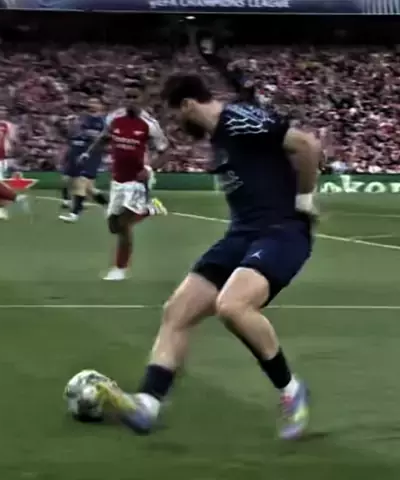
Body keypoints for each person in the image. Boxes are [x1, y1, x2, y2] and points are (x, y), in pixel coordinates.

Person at [95, 73, 322, 440]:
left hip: (281, 231)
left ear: (188, 105)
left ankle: (292, 390)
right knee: (177, 311)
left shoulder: (240, 120)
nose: (176, 125)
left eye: (175, 115)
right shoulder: (218, 138)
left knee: (232, 306)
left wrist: (304, 202)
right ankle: (148, 403)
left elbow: (306, 145)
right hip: (241, 235)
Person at [85, 78, 168, 281]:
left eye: (135, 97)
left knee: (123, 225)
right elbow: (104, 137)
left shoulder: (149, 124)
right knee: (113, 225)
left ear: (143, 99)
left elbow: (165, 151)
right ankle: (149, 209)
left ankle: (120, 269)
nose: (130, 100)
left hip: (138, 180)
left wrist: (149, 168)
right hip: (118, 179)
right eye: (127, 96)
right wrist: (88, 152)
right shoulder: (115, 118)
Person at [58, 97, 109, 223]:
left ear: (102, 106)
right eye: (90, 102)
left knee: (81, 182)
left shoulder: (104, 121)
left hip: (91, 155)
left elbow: (105, 138)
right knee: (89, 189)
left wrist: (93, 140)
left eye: (95, 102)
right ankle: (108, 205)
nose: (91, 104)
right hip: (76, 153)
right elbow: (71, 135)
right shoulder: (81, 118)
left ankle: (75, 213)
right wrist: (68, 125)